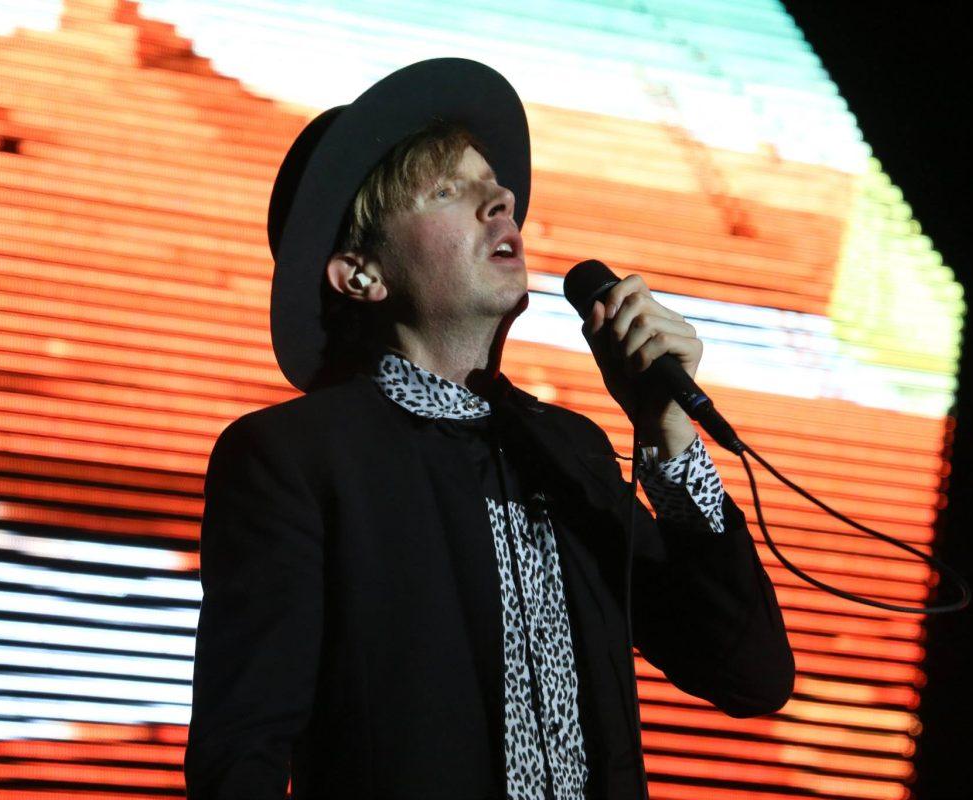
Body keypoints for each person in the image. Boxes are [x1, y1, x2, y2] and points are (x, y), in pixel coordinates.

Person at [183, 58, 794, 800]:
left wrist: (668, 433)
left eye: (493, 185)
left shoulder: (570, 452)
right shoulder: (297, 457)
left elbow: (750, 673)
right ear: (359, 274)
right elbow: (239, 753)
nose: (502, 199)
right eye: (448, 191)